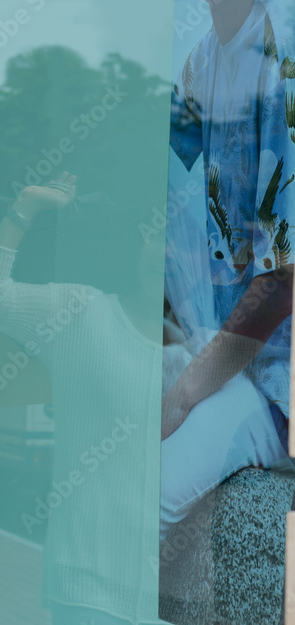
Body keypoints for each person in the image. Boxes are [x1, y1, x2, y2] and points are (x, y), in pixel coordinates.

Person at [0, 173, 197, 625]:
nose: (169, 252)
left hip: (179, 593)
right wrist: (25, 207)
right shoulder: (81, 315)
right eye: (160, 235)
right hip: (89, 581)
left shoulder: (210, 353)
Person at [161, 0, 295, 538]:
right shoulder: (202, 62)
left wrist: (186, 393)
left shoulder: (281, 62)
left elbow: (281, 282)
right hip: (229, 357)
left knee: (150, 498)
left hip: (275, 382)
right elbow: (149, 165)